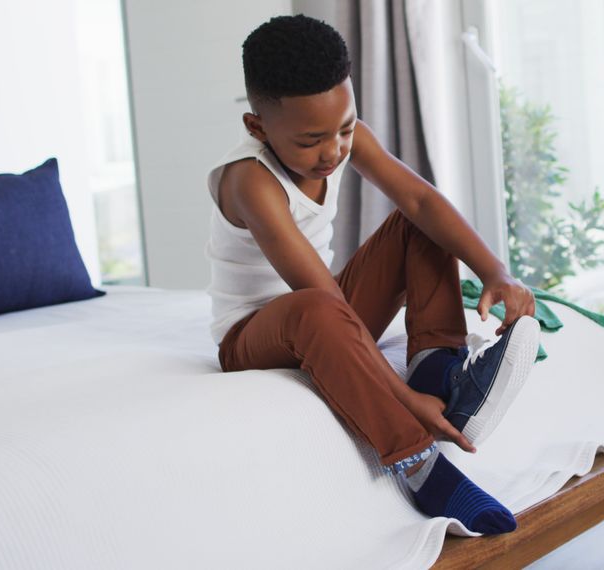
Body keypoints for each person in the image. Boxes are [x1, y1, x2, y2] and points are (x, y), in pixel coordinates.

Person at [205, 14, 541, 535]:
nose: (334, 150)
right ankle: (419, 465)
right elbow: (318, 296)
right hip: (254, 336)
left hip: (324, 314)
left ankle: (438, 367)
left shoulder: (342, 137)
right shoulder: (251, 182)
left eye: (345, 127)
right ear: (258, 127)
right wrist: (403, 401)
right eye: (312, 140)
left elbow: (421, 199)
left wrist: (494, 270)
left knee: (419, 224)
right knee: (319, 309)